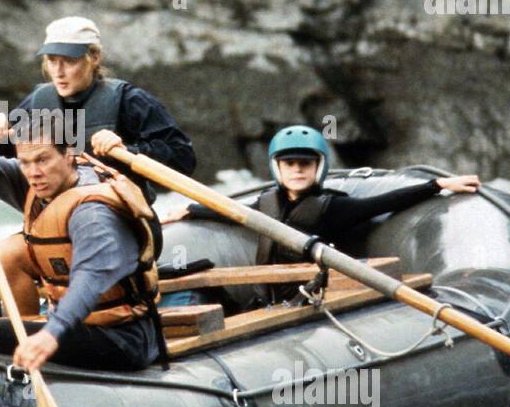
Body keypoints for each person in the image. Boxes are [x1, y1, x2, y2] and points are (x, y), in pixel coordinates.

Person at [0, 15, 195, 316]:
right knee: (7, 254)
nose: (59, 71)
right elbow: (8, 151)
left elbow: (182, 157)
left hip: (115, 226)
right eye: (52, 61)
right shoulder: (39, 100)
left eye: (69, 61)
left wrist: (128, 149)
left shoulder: (129, 100)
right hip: (55, 227)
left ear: (94, 57)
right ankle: (29, 336)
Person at [0, 110, 164, 373]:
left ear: (69, 154)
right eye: (25, 162)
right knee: (9, 252)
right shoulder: (37, 183)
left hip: (123, 339)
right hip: (78, 326)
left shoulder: (93, 213)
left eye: (42, 160)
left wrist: (51, 333)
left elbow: (91, 277)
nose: (33, 172)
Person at [173, 125, 482, 306]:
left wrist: (436, 185)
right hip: (267, 298)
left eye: (304, 164)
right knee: (202, 283)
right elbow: (234, 214)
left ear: (318, 167)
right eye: (289, 163)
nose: (297, 170)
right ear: (276, 168)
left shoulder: (333, 207)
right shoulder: (266, 203)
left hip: (309, 298)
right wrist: (188, 210)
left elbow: (384, 202)